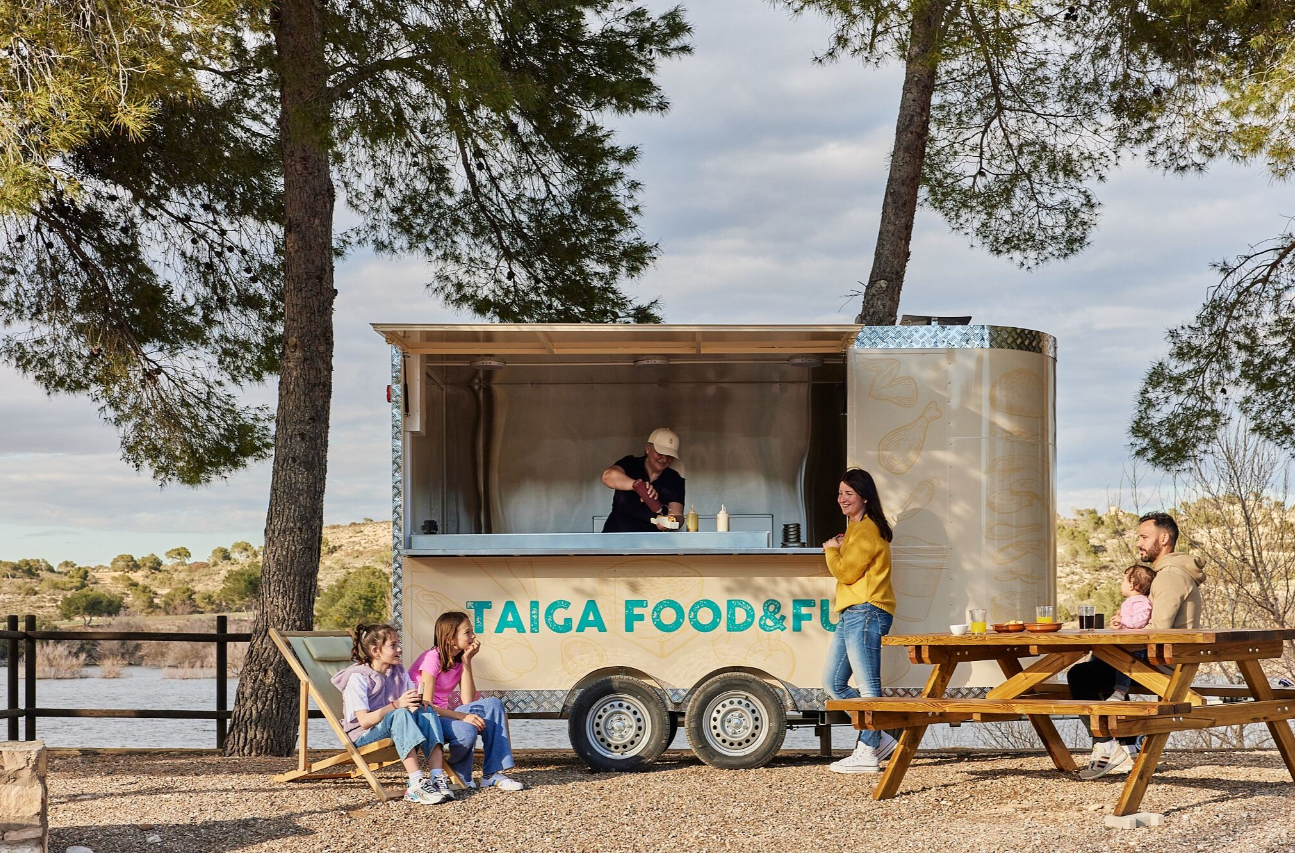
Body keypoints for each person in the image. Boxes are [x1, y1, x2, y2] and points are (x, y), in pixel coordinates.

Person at [1070, 511, 1207, 779]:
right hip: (1165, 657)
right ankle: (1127, 745)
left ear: (1164, 538)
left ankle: (1106, 744)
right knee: (1100, 666)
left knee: (1080, 675)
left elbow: (1159, 629)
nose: (1139, 543)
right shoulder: (1166, 573)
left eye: (1144, 537)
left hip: (1165, 662)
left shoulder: (1169, 576)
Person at [821, 468, 897, 774]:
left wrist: (830, 550)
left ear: (865, 496)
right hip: (853, 612)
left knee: (868, 686)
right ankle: (880, 736)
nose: (841, 499)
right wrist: (841, 543)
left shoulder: (866, 530)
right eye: (840, 493)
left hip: (867, 611)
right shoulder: (855, 527)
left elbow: (847, 573)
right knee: (834, 683)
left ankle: (868, 750)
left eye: (848, 494)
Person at [330, 622, 453, 804]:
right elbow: (364, 721)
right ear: (376, 651)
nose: (399, 649)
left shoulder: (398, 673)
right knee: (400, 713)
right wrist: (396, 705)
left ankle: (436, 776)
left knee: (426, 710)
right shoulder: (358, 678)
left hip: (393, 727)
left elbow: (410, 706)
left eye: (398, 643)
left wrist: (418, 704)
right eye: (393, 645)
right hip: (363, 736)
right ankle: (415, 782)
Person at [408, 611, 524, 791]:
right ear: (450, 639)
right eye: (467, 632)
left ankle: (491, 774)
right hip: (424, 719)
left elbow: (467, 699)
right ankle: (461, 776)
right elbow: (426, 706)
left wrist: (467, 660)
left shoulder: (458, 659)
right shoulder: (432, 658)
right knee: (466, 728)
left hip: (441, 715)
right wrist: (462, 716)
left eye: (472, 631)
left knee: (493, 704)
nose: (473, 636)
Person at [599, 428, 686, 532]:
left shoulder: (674, 479)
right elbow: (607, 476)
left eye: (670, 456)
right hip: (617, 535)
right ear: (648, 448)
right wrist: (637, 486)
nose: (664, 459)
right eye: (660, 453)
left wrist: (671, 522)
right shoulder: (630, 464)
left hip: (652, 540)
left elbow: (677, 515)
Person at [1109, 564, 1155, 701]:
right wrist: (1119, 624)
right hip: (1126, 643)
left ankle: (1120, 692)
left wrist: (1123, 619)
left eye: (1124, 581)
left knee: (1124, 665)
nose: (1121, 584)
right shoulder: (1131, 601)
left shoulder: (1141, 602)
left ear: (1132, 585)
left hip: (1135, 646)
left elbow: (1139, 622)